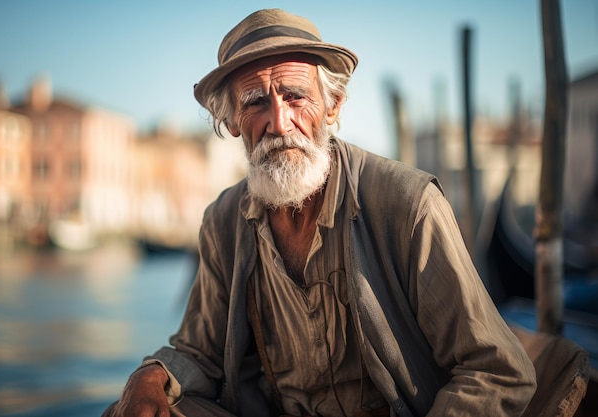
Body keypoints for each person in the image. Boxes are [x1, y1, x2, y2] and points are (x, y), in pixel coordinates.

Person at [104, 8, 537, 417]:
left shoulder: (408, 205)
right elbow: (200, 353)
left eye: (295, 96)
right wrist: (151, 374)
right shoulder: (223, 221)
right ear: (233, 121)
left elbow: (496, 370)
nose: (279, 120)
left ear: (333, 107)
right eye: (255, 102)